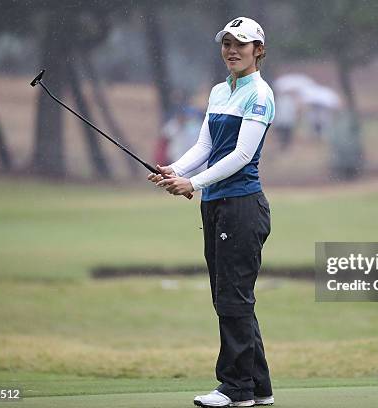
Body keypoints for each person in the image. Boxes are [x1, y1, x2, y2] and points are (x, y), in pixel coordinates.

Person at [148, 17, 275, 408]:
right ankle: (259, 388)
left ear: (258, 50)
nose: (232, 50)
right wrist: (177, 170)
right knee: (233, 297)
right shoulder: (221, 91)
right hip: (216, 203)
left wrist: (194, 183)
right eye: (227, 44)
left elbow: (240, 155)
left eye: (241, 44)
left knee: (232, 299)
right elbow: (205, 145)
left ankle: (235, 390)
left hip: (241, 205)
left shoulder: (260, 94)